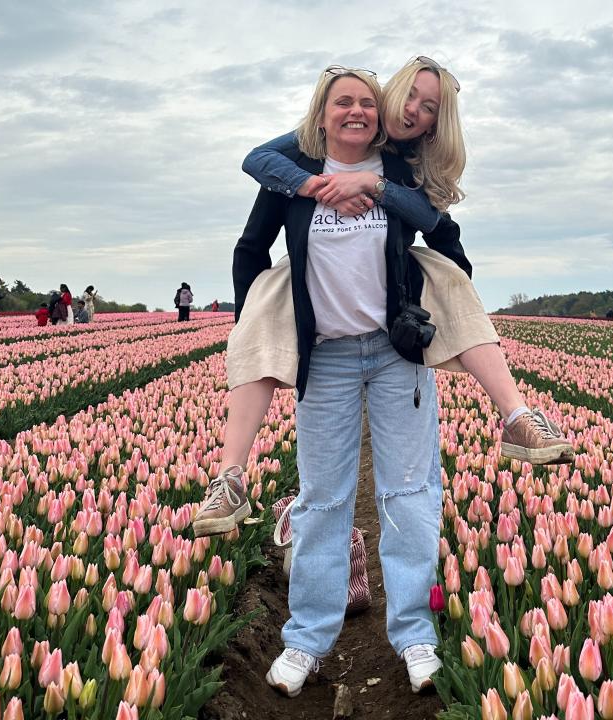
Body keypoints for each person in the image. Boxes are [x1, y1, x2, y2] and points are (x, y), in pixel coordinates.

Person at [210, 66, 458, 699]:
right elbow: (251, 247)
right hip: (326, 358)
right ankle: (306, 641)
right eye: (342, 102)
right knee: (323, 498)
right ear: (321, 115)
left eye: (366, 104)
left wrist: (445, 288)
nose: (356, 111)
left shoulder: (394, 172)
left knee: (408, 492)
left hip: (395, 353)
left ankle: (414, 635)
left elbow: (439, 228)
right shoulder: (291, 177)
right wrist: (258, 322)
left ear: (380, 116)